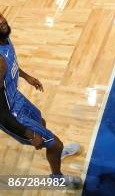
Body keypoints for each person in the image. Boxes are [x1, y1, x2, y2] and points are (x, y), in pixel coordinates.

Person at [0, 13, 81, 188]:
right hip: (10, 114)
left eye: (1, 16)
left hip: (16, 99)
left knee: (41, 120)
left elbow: (10, 65)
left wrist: (26, 76)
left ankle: (52, 149)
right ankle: (56, 177)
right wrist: (27, 133)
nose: (2, 21)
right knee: (55, 144)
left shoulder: (4, 39)